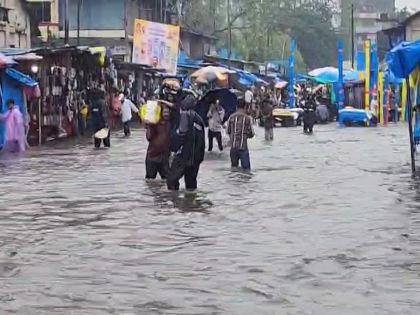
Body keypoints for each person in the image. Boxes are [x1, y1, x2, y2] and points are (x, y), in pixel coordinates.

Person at [167, 95, 205, 191]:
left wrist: (173, 149)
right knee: (191, 184)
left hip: (185, 155)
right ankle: (190, 204)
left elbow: (181, 134)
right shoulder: (198, 118)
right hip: (196, 157)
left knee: (172, 180)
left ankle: (174, 202)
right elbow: (200, 140)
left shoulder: (185, 115)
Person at [145, 104, 172, 180]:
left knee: (167, 180)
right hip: (152, 156)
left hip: (164, 157)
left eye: (168, 112)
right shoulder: (154, 123)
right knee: (150, 180)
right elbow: (149, 137)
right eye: (164, 112)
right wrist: (149, 126)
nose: (166, 114)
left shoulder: (171, 123)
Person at [227, 100, 255, 171]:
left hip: (233, 147)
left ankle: (235, 181)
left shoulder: (231, 117)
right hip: (243, 147)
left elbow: (228, 131)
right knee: (246, 170)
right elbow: (251, 133)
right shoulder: (248, 118)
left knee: (234, 168)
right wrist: (245, 135)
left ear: (236, 106)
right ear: (245, 107)